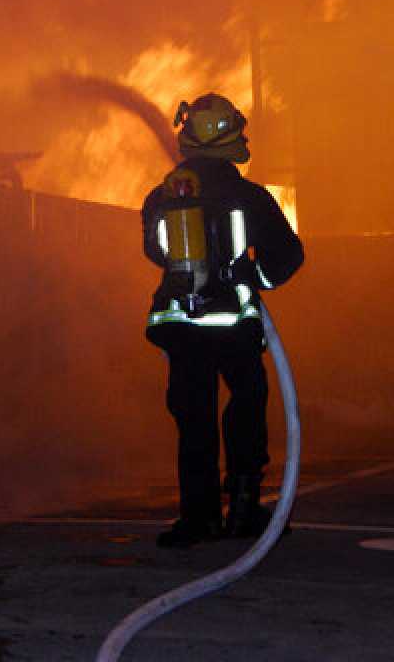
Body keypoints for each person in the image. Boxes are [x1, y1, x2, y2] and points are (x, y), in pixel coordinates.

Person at [141, 93, 304, 549]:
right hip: (233, 324)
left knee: (194, 418)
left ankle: (198, 518)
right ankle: (246, 508)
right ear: (229, 138)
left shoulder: (165, 194)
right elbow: (289, 256)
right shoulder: (249, 196)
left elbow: (154, 252)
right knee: (247, 405)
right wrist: (254, 276)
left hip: (180, 325)